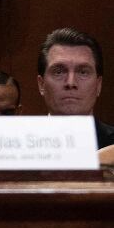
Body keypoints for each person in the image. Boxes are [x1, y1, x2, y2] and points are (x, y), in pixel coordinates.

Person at [36, 27, 114, 158]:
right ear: (41, 84)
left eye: (83, 72)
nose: (70, 82)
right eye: (59, 72)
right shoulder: (17, 148)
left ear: (98, 85)